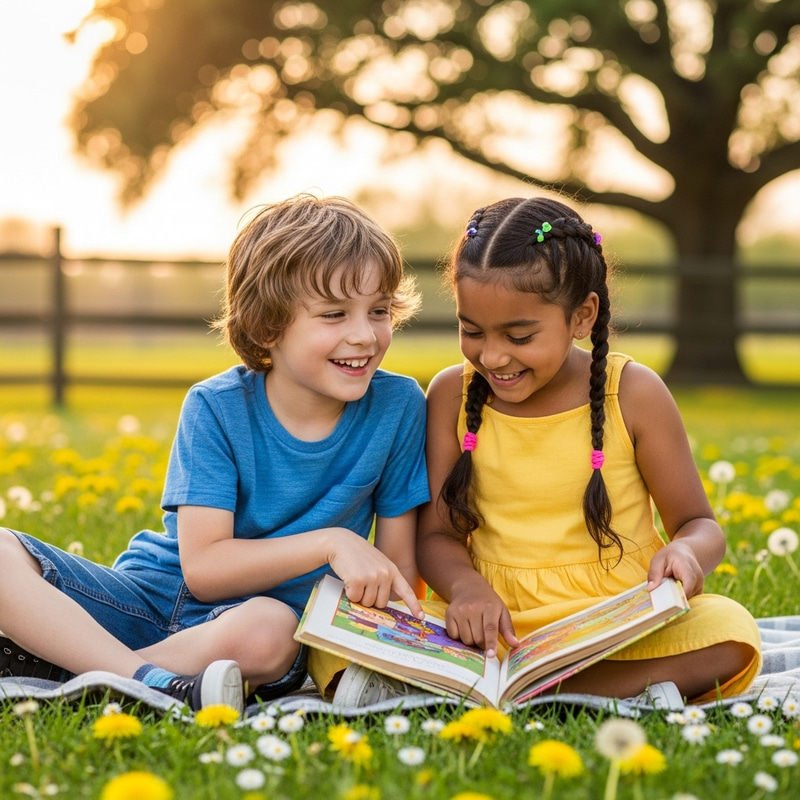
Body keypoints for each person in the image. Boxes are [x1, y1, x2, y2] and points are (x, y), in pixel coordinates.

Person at [0, 194, 429, 713]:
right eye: (335, 314)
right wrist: (331, 542)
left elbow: (400, 569)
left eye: (379, 311)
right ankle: (142, 679)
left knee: (270, 633)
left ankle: (75, 668)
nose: (365, 335)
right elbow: (204, 569)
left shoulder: (399, 406)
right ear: (269, 325)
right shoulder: (215, 406)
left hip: (257, 629)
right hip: (153, 596)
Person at [334, 195, 762, 710]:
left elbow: (700, 523)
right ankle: (562, 691)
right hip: (490, 629)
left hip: (614, 627)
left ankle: (525, 691)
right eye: (471, 331)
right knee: (330, 644)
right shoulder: (451, 394)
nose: (492, 356)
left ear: (582, 316)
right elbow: (438, 536)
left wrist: (686, 552)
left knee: (730, 631)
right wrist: (466, 589)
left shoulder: (634, 394)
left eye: (519, 335)